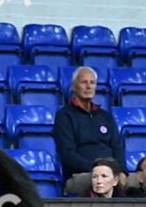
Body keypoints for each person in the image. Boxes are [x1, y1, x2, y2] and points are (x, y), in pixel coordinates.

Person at [54, 66, 126, 196]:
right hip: (81, 174)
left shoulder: (106, 116)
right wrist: (96, 170)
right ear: (73, 86)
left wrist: (122, 171)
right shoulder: (64, 115)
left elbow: (117, 147)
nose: (89, 86)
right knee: (101, 180)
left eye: (92, 82)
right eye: (84, 82)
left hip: (110, 172)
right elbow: (67, 153)